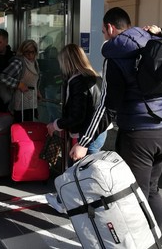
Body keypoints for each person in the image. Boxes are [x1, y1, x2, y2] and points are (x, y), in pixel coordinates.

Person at [76, 7, 162, 235]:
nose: (104, 36)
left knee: (135, 198)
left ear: (110, 28)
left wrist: (84, 142)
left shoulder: (116, 58)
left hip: (139, 136)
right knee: (152, 191)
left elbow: (107, 107)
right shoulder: (154, 42)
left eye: (103, 31)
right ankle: (158, 241)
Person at [45, 44, 111, 213]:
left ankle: (65, 203)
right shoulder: (95, 76)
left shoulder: (78, 81)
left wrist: (56, 124)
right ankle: (87, 204)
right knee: (88, 170)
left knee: (78, 170)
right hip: (100, 130)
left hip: (88, 132)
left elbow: (77, 115)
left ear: (67, 62)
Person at [0, 39, 41, 122]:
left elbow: (34, 79)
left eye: (33, 52)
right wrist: (19, 84)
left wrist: (37, 91)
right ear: (22, 51)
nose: (30, 55)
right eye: (27, 52)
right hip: (19, 104)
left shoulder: (35, 62)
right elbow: (3, 77)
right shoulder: (19, 62)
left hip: (31, 103)